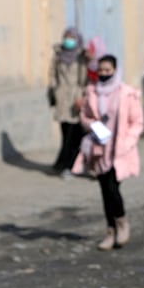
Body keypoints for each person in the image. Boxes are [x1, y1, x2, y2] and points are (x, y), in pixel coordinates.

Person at [72, 55, 144, 251]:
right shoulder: (92, 92)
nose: (104, 74)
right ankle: (110, 231)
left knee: (112, 187)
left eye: (107, 70)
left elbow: (137, 122)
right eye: (101, 70)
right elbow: (85, 116)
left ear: (115, 70)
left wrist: (127, 142)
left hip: (119, 150)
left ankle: (122, 222)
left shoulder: (127, 93)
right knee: (104, 190)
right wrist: (93, 126)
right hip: (99, 148)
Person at [47, 26, 89, 179]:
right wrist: (54, 90)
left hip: (76, 100)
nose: (68, 40)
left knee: (75, 135)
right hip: (62, 99)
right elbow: (52, 74)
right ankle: (62, 164)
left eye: (72, 37)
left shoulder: (81, 56)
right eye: (67, 36)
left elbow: (85, 79)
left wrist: (82, 97)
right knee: (66, 134)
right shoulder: (58, 55)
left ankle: (68, 165)